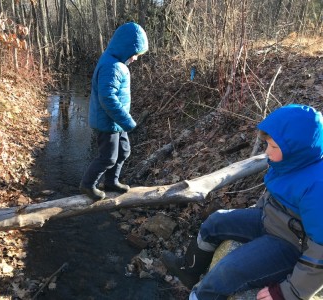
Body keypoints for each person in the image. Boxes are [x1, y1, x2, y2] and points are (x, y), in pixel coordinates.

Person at [161, 104, 323, 300]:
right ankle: (188, 270)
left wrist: (287, 292)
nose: (267, 153)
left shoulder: (317, 185)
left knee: (227, 270)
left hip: (289, 244)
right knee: (216, 221)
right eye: (267, 145)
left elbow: (320, 250)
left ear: (296, 149)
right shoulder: (288, 162)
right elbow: (275, 194)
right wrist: (257, 211)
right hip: (268, 220)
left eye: (273, 147)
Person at [79, 22, 148, 201]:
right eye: (135, 54)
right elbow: (107, 99)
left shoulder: (117, 62)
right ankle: (87, 185)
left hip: (116, 121)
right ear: (126, 49)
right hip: (107, 121)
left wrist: (123, 121)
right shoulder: (112, 66)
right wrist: (128, 122)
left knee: (124, 151)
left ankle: (111, 182)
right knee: (108, 158)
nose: (136, 58)